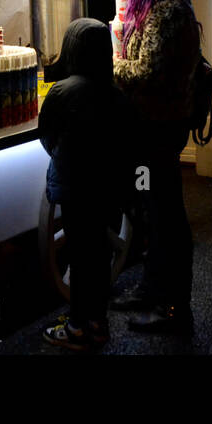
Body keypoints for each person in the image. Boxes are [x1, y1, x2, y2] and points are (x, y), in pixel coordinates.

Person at [110, 0, 203, 333]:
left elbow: (146, 72)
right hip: (159, 126)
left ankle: (173, 308)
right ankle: (152, 289)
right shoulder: (172, 7)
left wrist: (110, 63)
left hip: (161, 128)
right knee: (153, 213)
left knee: (167, 217)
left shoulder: (167, 15)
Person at [38, 18, 137, 351]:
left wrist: (64, 158)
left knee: (80, 260)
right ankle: (98, 323)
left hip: (74, 189)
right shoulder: (116, 94)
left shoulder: (61, 91)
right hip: (107, 190)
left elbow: (46, 135)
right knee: (97, 257)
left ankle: (79, 327)